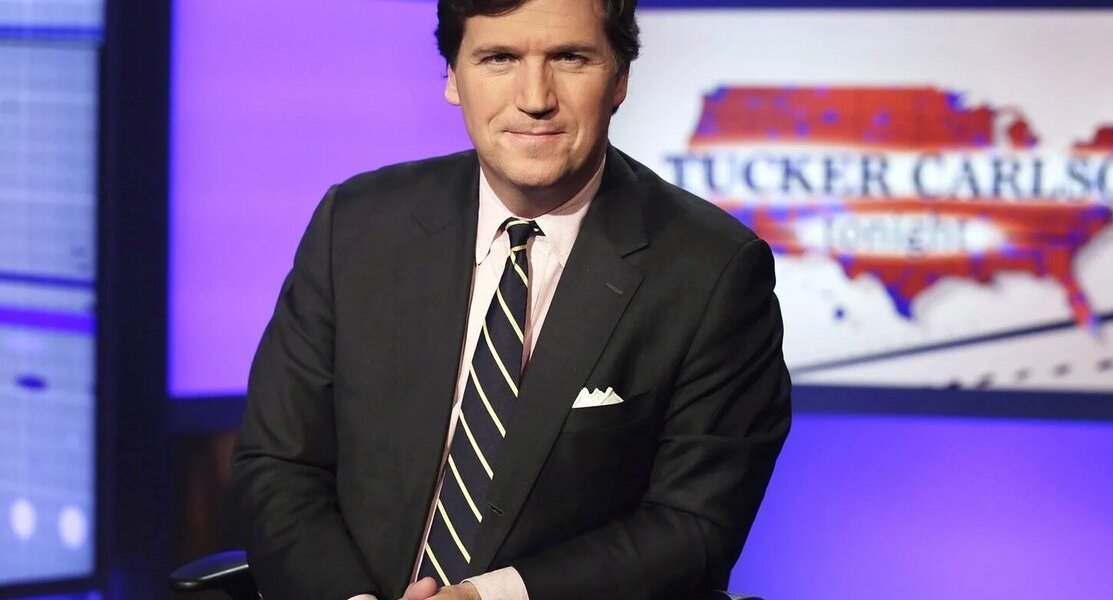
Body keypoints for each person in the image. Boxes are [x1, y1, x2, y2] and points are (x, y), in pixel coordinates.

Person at [230, 0, 791, 598]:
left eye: (569, 58)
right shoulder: (356, 225)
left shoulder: (713, 272)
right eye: (499, 58)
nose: (534, 98)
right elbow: (279, 465)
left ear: (620, 78)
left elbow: (694, 523)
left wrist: (489, 597)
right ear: (453, 76)